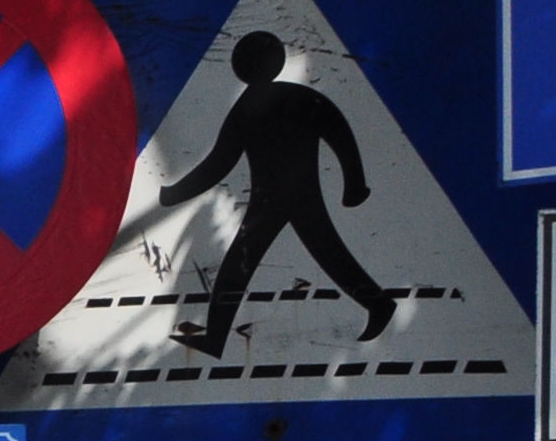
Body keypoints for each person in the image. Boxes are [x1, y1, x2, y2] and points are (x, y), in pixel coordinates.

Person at [160, 30, 398, 358]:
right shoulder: (297, 99)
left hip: (279, 198)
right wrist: (353, 183)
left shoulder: (250, 107)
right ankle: (378, 303)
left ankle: (379, 304)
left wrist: (174, 194)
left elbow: (218, 164)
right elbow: (338, 132)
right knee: (323, 255)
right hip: (281, 197)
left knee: (249, 264)